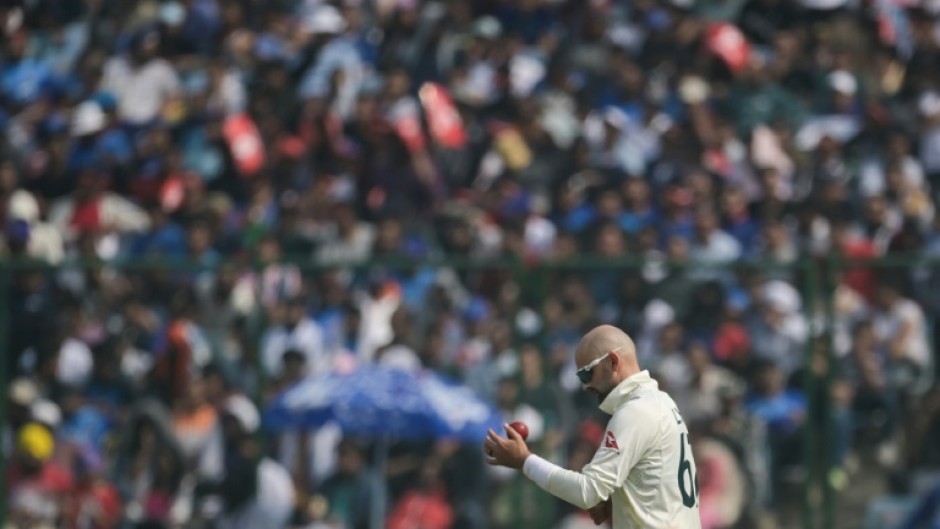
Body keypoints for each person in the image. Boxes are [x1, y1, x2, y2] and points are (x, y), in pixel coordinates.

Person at [483, 325, 702, 529]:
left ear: (613, 362)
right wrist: (618, 498)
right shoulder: (662, 403)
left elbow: (588, 492)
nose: (586, 386)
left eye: (587, 373)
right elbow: (660, 481)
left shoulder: (635, 411)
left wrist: (524, 461)